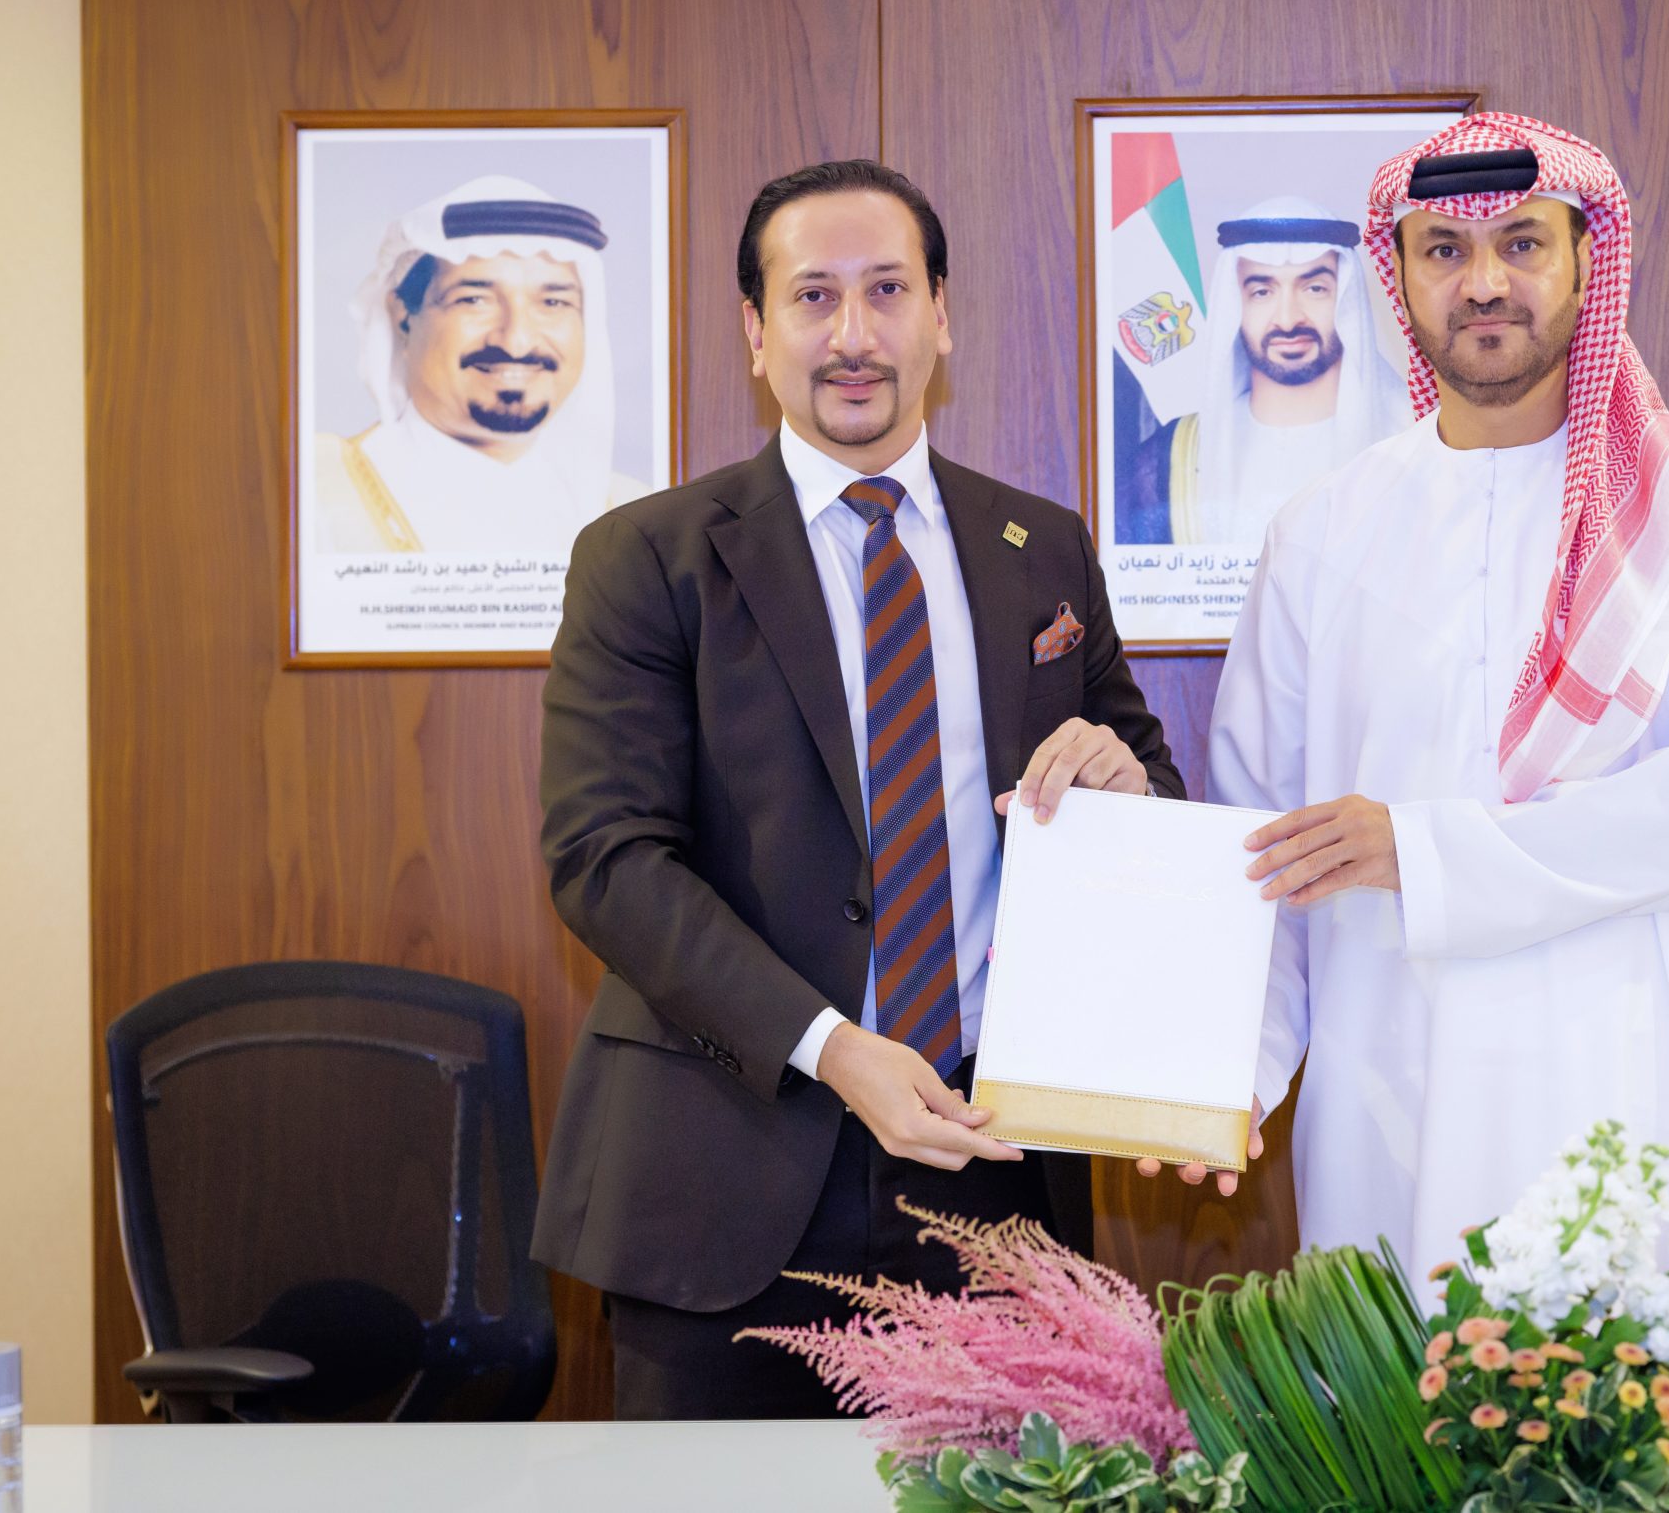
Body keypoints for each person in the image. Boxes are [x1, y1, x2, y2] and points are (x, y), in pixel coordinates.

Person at [531, 159, 1182, 1419]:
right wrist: (832, 1051)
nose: (852, 335)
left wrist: (1130, 792)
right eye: (813, 296)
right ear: (755, 331)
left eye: (887, 291)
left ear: (942, 317)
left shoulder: (1041, 545)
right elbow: (605, 859)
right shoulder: (646, 558)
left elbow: (1143, 776)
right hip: (725, 1167)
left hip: (995, 1164)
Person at [1182, 112, 1669, 1288]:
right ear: (1398, 279)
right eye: (1443, 251)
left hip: (1639, 1083)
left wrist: (1420, 851)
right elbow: (1266, 845)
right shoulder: (1319, 532)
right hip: (1397, 1094)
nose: (1482, 283)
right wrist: (1231, 1078)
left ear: (1586, 260)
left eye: (1522, 244)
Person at [315, 175, 649, 553]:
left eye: (553, 303)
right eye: (474, 300)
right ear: (403, 316)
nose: (517, 340)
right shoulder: (316, 492)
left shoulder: (631, 511)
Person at [1112, 196, 1411, 551]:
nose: (1287, 319)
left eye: (1315, 289)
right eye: (1261, 292)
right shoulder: (1170, 457)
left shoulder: (1409, 441)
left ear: (1346, 301)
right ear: (1235, 305)